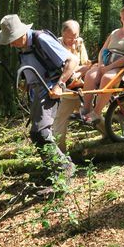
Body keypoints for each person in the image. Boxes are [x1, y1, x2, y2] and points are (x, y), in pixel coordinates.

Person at [0, 14, 77, 189]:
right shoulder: (23, 47)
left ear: (22, 33)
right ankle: (53, 170)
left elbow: (72, 60)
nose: (11, 44)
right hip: (37, 91)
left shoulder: (41, 40)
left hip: (50, 89)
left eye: (12, 39)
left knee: (41, 133)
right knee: (35, 134)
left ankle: (64, 169)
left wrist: (60, 85)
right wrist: (27, 83)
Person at [80, 4, 124, 124]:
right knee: (90, 75)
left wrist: (110, 67)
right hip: (107, 65)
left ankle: (96, 113)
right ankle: (86, 109)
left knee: (108, 78)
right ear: (121, 16)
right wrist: (101, 65)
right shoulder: (115, 32)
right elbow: (103, 50)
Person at [53, 20, 91, 152]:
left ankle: (109, 137)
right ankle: (60, 154)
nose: (73, 39)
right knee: (60, 121)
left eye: (75, 36)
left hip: (80, 87)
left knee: (92, 115)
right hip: (65, 89)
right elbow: (62, 68)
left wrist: (81, 68)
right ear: (63, 33)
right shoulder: (55, 44)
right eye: (70, 37)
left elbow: (85, 64)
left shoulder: (79, 43)